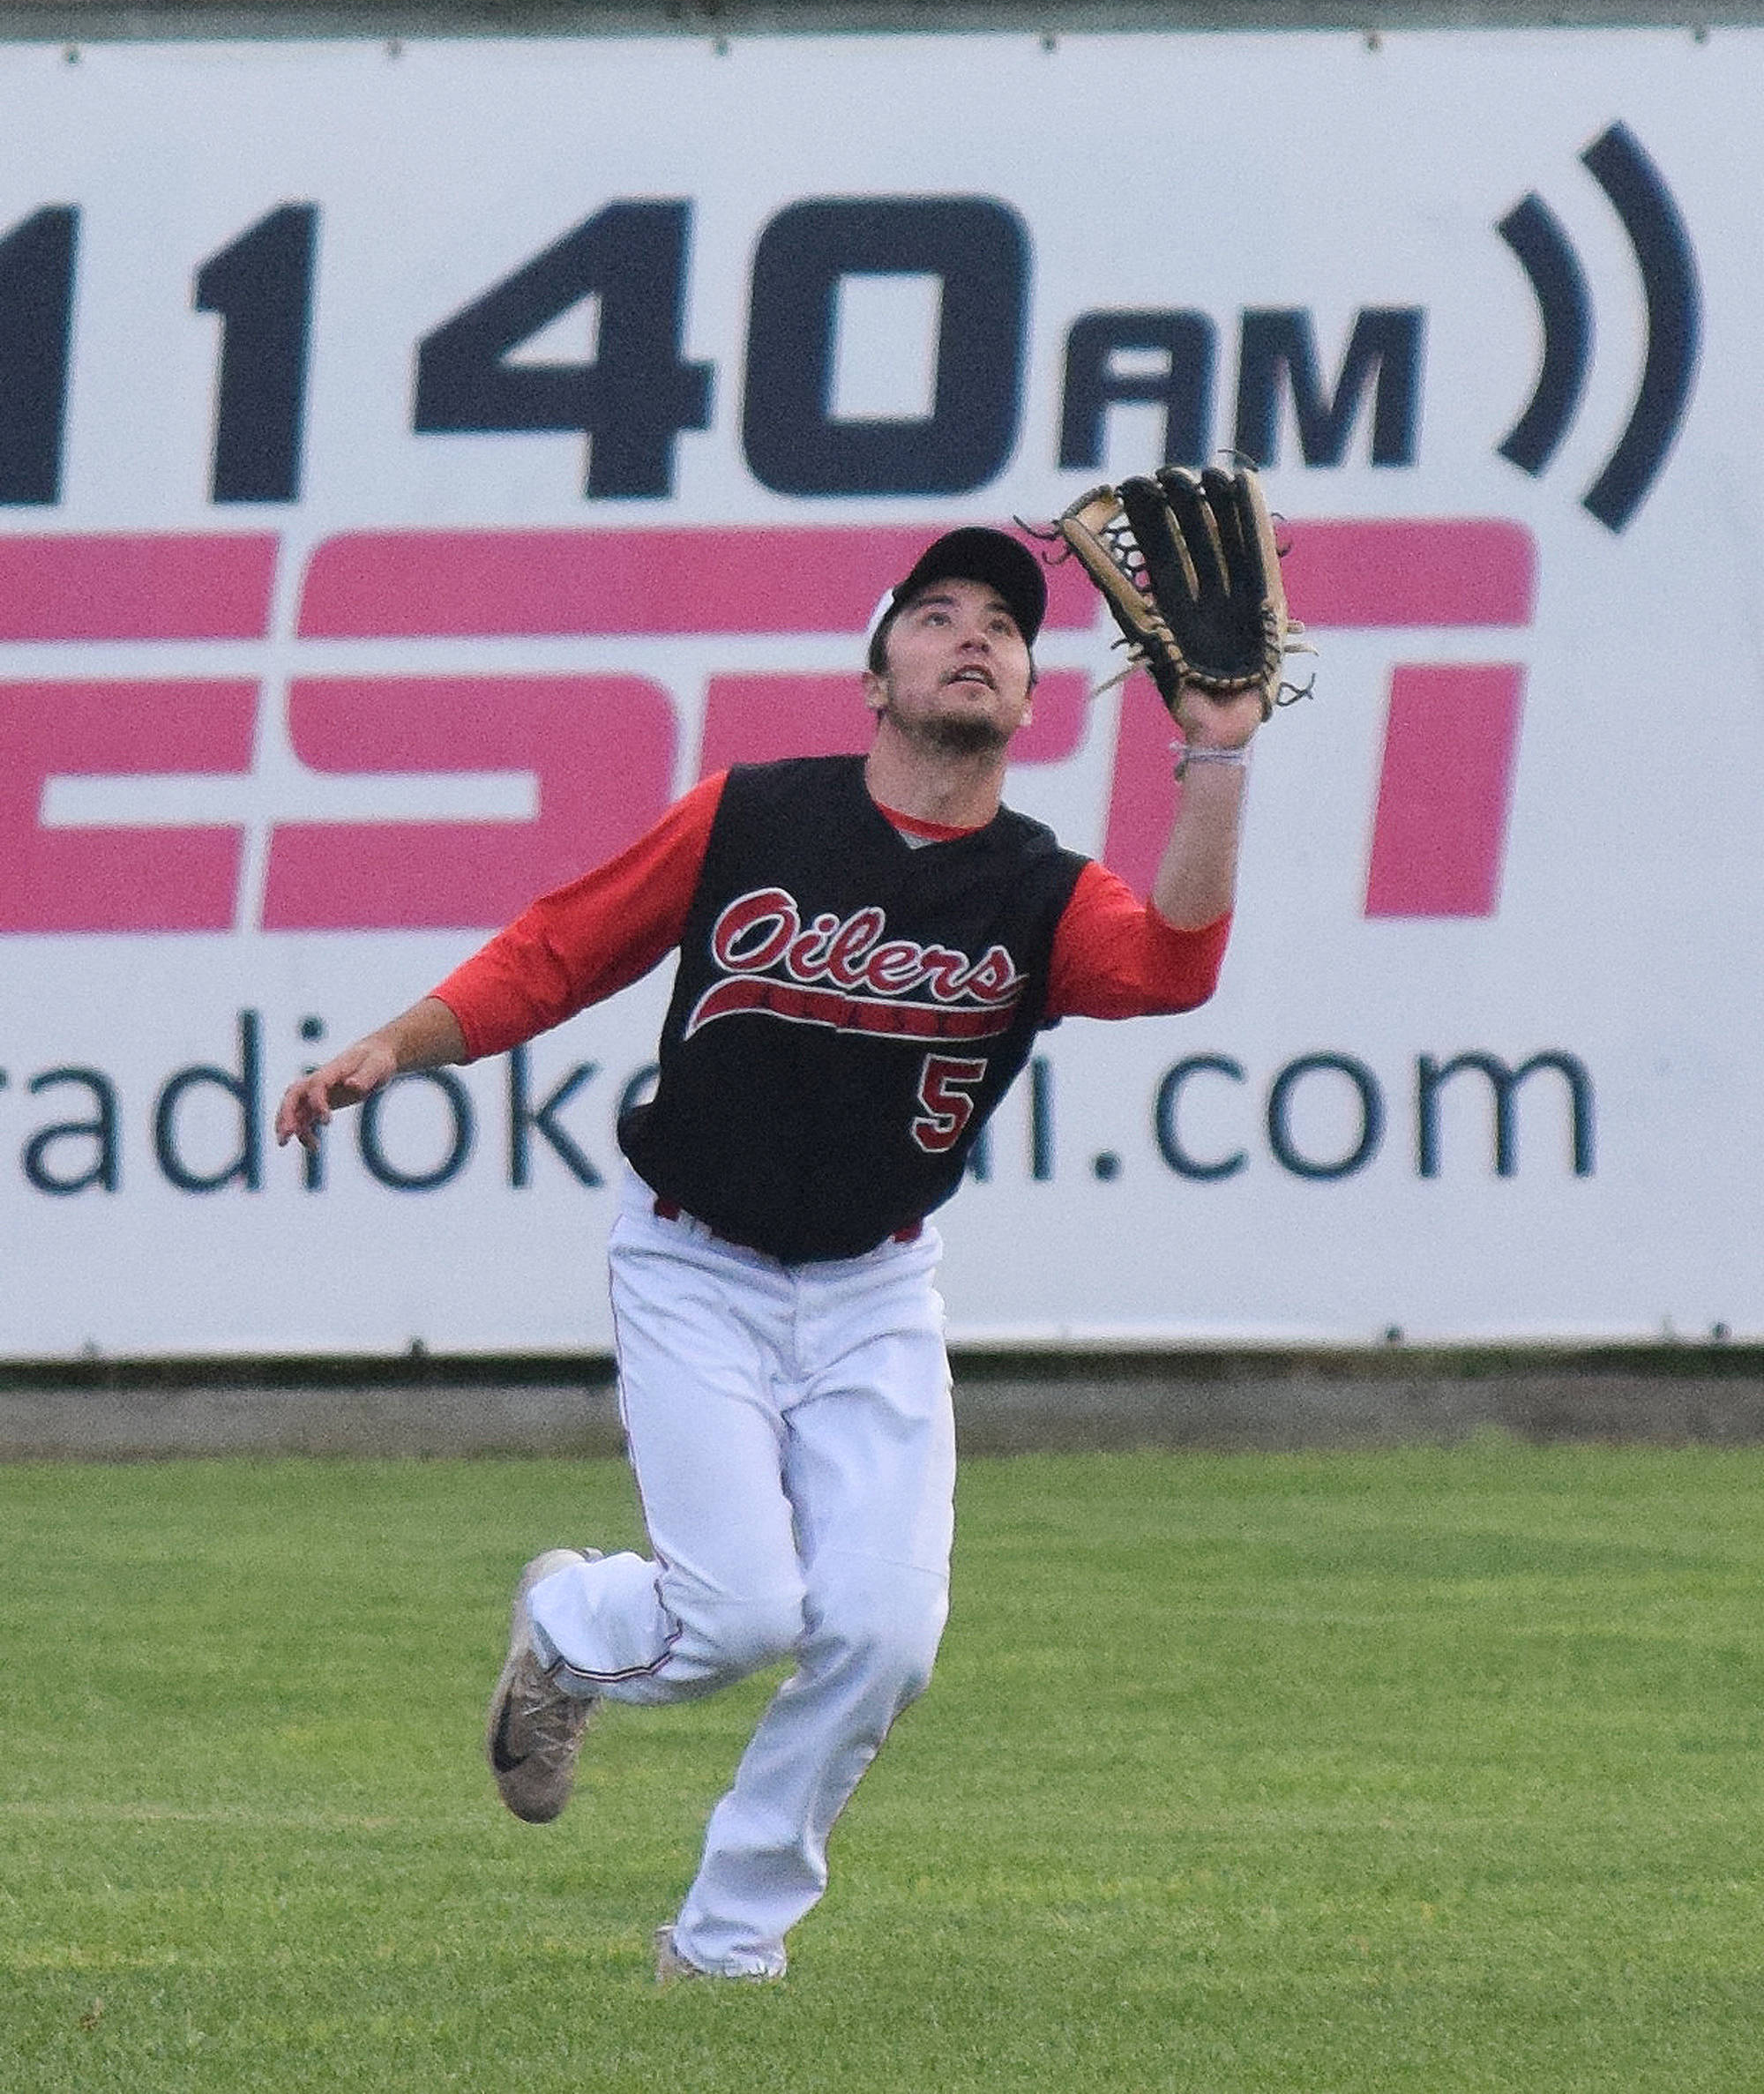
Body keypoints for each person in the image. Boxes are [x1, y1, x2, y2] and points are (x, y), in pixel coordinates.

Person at [274, 525, 1262, 1982]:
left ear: (1036, 696)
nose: (973, 635)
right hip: (695, 1265)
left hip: (873, 1286)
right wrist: (397, 1046)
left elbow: (1175, 962)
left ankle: (726, 1946)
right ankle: (570, 1620)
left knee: (882, 1634)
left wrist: (1219, 754)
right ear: (876, 675)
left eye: (1004, 622)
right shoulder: (753, 819)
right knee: (739, 1613)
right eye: (935, 615)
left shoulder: (1038, 892)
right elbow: (560, 948)